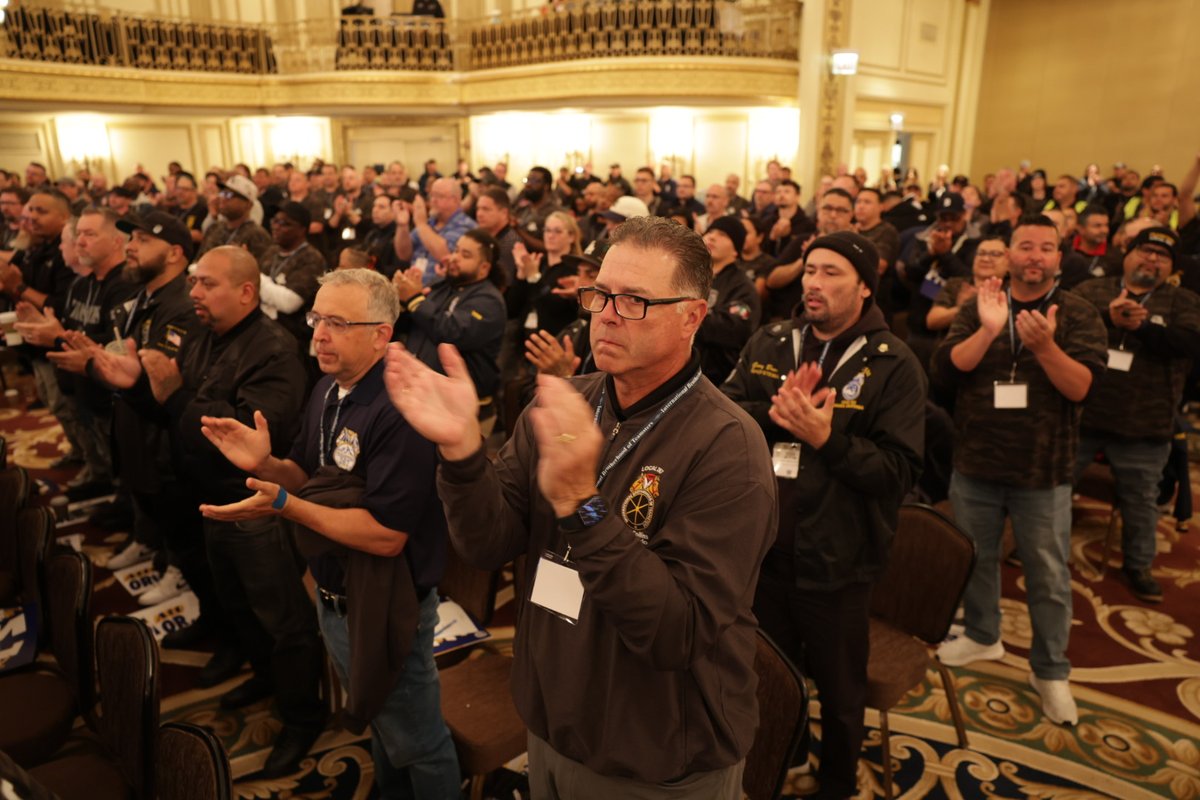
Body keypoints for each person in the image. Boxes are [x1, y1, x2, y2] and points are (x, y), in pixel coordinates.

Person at [385, 215, 776, 798]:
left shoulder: (729, 446)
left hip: (656, 754)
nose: (607, 313)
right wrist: (463, 451)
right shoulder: (569, 399)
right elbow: (486, 543)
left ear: (692, 316)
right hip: (551, 723)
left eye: (636, 300)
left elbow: (677, 631)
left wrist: (582, 505)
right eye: (601, 294)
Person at [197, 268, 461, 799]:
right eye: (318, 318)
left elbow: (386, 536)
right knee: (387, 727)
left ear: (382, 334)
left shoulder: (402, 408)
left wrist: (283, 505)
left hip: (387, 602)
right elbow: (307, 478)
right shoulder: (328, 388)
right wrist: (268, 465)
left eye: (338, 323)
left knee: (420, 742)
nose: (317, 333)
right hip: (334, 593)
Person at [722, 230, 926, 799]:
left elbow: (898, 474)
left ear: (864, 286)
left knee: (839, 694)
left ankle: (836, 783)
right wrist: (778, 414)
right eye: (810, 270)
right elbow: (724, 412)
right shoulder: (772, 341)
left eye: (832, 273)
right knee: (769, 681)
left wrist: (826, 438)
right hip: (762, 552)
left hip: (837, 561)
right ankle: (778, 764)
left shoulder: (894, 366)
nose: (814, 282)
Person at [932, 214, 1107, 727]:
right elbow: (944, 372)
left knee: (1049, 576)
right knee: (977, 558)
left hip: (1044, 470)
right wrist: (988, 331)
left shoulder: (1078, 313)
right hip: (976, 461)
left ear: (1059, 256)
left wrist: (1045, 348)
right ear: (1008, 254)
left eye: (1045, 248)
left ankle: (1051, 671)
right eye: (1024, 246)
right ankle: (984, 635)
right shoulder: (983, 302)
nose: (1034, 256)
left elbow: (1082, 389)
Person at [157, 245, 325, 776]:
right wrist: (182, 403)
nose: (194, 293)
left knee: (283, 619)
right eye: (193, 283)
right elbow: (203, 412)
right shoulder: (206, 334)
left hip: (256, 504)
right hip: (212, 497)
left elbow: (245, 436)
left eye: (207, 284)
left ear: (246, 291)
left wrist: (175, 400)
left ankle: (303, 716)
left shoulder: (274, 349)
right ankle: (266, 679)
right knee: (238, 604)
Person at [1072, 227, 1200, 603]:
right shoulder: (1094, 290)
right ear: (1127, 253)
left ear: (1171, 268)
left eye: (1163, 256)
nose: (1153, 259)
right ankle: (1027, 545)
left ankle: (1138, 565)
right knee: (1051, 489)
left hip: (1146, 423)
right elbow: (1062, 325)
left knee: (1141, 501)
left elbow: (1192, 345)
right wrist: (1108, 319)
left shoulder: (1183, 301)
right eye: (1146, 250)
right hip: (1081, 416)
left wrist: (1144, 328)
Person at [393, 228, 506, 435]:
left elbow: (451, 333)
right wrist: (401, 300)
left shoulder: (489, 301)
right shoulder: (442, 286)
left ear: (484, 268)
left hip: (463, 410)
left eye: (465, 255)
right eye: (456, 250)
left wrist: (415, 300)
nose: (454, 258)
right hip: (423, 399)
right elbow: (409, 325)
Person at [696, 215, 760, 384]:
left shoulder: (743, 287)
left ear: (736, 250)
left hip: (714, 378)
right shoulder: (689, 274)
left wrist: (683, 314)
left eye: (723, 235)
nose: (712, 236)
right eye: (710, 231)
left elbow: (732, 328)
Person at [394, 176, 476, 286]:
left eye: (439, 196)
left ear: (456, 200)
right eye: (432, 195)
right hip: (413, 287)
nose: (433, 200)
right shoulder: (430, 223)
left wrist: (421, 224)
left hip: (439, 293)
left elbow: (445, 256)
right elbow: (403, 254)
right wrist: (402, 225)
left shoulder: (466, 226)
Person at [196, 175, 273, 266]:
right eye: (222, 193)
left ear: (248, 204)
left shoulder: (257, 235)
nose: (223, 199)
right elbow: (199, 261)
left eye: (229, 195)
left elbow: (261, 273)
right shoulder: (214, 228)